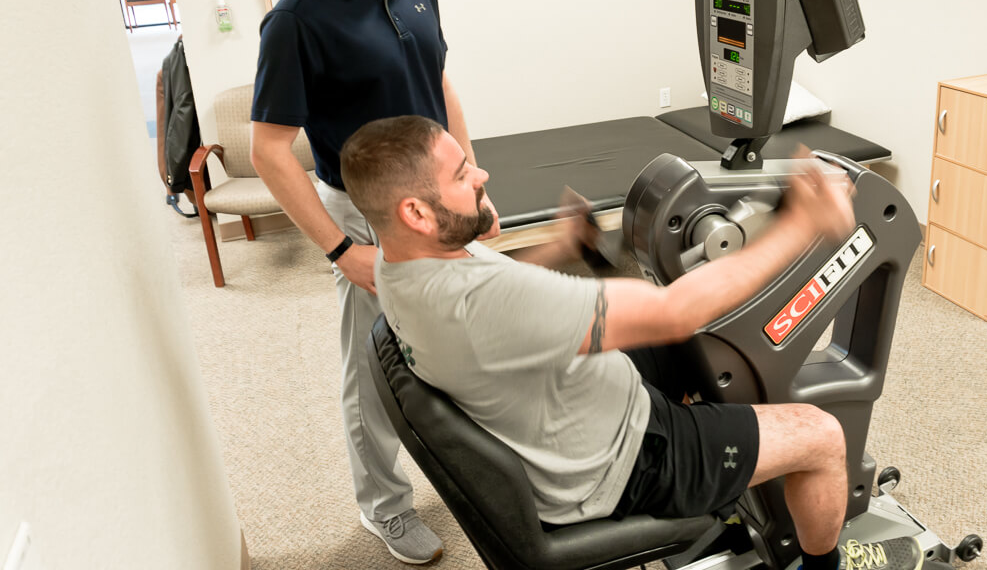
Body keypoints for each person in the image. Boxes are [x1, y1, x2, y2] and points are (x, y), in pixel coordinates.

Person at [339, 114, 931, 570]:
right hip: (623, 459)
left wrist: (561, 248)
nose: (482, 175)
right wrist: (803, 224)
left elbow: (500, 291)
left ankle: (745, 473)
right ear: (417, 210)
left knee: (713, 346)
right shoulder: (481, 304)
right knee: (820, 436)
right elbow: (677, 310)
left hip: (565, 408)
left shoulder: (395, 267)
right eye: (462, 174)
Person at [250, 0, 497, 564]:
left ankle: (479, 473)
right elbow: (269, 150)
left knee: (466, 345)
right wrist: (341, 247)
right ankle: (383, 508)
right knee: (375, 370)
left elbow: (442, 83)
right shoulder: (298, 18)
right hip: (369, 216)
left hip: (442, 198)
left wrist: (471, 181)